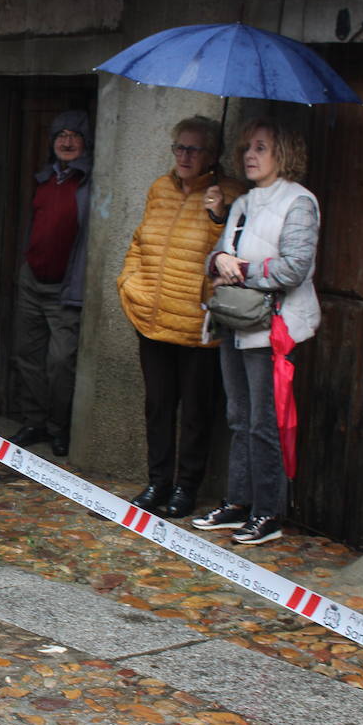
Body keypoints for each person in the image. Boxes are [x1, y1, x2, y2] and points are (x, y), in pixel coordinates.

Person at [193, 118, 319, 546]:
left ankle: (268, 512)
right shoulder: (243, 203)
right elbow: (217, 253)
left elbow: (295, 267)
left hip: (271, 327)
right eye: (247, 147)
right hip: (234, 321)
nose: (249, 155)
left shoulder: (299, 202)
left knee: (265, 422)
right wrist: (219, 262)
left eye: (261, 148)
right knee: (238, 417)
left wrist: (241, 270)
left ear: (283, 153)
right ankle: (238, 502)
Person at [118, 117, 245, 518]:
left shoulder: (230, 194)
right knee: (158, 405)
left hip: (198, 323)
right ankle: (158, 481)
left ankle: (186, 487)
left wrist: (218, 215)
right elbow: (141, 239)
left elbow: (230, 253)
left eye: (194, 150)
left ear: (212, 155)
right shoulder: (160, 187)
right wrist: (129, 283)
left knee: (195, 411)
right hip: (153, 317)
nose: (185, 157)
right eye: (180, 148)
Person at [8, 110, 92, 458]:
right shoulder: (44, 178)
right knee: (27, 354)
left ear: (85, 143)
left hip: (65, 287)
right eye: (60, 135)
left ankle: (59, 428)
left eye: (74, 135)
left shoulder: (89, 182)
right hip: (32, 280)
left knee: (60, 362)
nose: (66, 141)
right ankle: (35, 420)